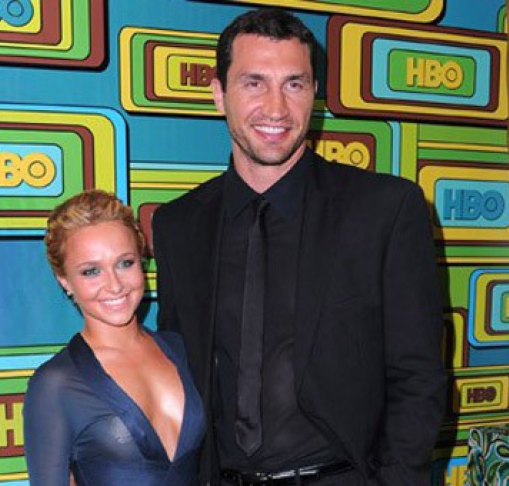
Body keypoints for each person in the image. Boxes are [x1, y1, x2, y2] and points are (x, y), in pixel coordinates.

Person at [151, 8, 446, 486]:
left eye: (294, 84)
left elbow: (418, 376)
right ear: (218, 94)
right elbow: (179, 378)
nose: (276, 108)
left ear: (314, 94)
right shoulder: (178, 225)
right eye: (254, 83)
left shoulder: (384, 210)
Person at [23, 190, 205, 485]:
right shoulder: (56, 383)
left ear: (142, 262)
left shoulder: (180, 350)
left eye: (125, 263)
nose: (115, 285)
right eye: (91, 271)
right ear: (65, 281)